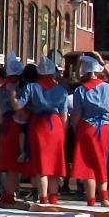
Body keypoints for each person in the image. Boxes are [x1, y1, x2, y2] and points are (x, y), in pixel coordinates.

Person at [69, 54, 109, 205]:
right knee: (101, 161)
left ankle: (90, 198)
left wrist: (75, 128)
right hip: (104, 127)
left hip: (87, 127)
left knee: (87, 164)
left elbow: (76, 114)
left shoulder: (80, 90)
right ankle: (104, 196)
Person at [24, 56, 69, 204]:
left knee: (41, 163)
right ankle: (54, 196)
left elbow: (22, 105)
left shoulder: (31, 87)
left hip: (38, 124)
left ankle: (43, 197)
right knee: (55, 163)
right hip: (55, 125)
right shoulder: (61, 90)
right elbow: (64, 115)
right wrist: (63, 132)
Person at [0, 56, 29, 206]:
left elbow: (0, 114)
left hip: (6, 126)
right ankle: (8, 198)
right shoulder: (17, 87)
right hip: (16, 124)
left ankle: (7, 196)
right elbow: (19, 107)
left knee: (9, 164)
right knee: (14, 164)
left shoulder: (2, 87)